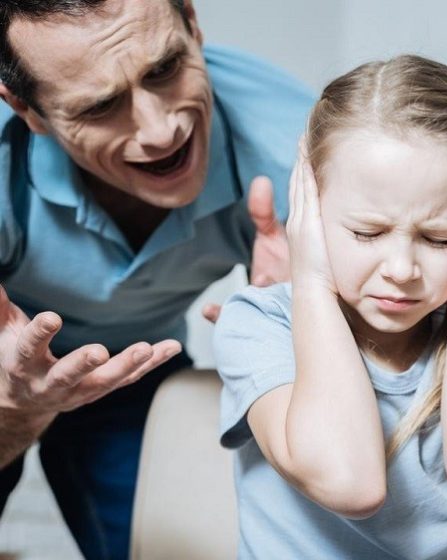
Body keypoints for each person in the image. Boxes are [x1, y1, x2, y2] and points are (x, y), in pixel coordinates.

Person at [0, 0, 311, 558]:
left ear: (192, 23)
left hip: (133, 366)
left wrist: (308, 329)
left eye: (164, 69)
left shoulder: (298, 153)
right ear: (28, 110)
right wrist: (20, 410)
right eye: (100, 106)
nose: (161, 129)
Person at [213, 55, 447, 559]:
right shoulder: (258, 323)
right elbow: (350, 483)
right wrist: (310, 281)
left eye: (439, 239)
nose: (401, 268)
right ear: (311, 207)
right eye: (367, 233)